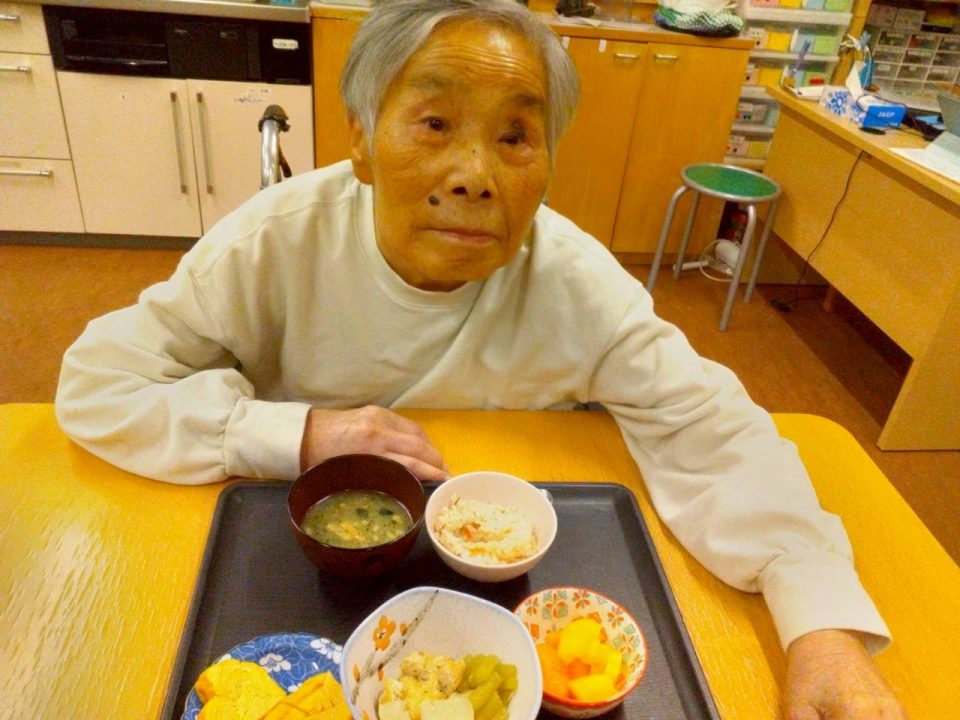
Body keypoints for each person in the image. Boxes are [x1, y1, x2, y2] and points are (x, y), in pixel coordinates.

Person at [55, 1, 905, 717]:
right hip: (298, 565)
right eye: (434, 124)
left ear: (548, 162)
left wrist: (820, 624)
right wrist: (298, 434)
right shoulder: (273, 242)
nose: (474, 175)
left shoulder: (572, 278)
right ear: (362, 139)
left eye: (515, 136)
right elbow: (99, 383)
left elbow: (711, 429)